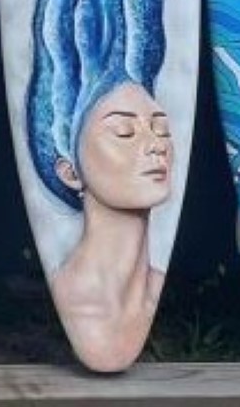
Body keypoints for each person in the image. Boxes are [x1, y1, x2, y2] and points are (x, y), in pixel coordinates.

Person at [41, 79, 173, 371]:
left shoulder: (156, 284)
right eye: (124, 132)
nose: (157, 146)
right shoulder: (75, 297)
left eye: (162, 129)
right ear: (71, 172)